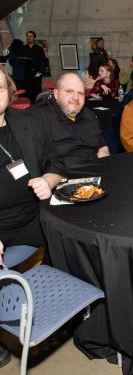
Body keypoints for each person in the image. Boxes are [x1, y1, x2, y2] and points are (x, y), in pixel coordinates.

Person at [0, 66, 64, 367]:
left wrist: (49, 181)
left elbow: (55, 161)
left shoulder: (26, 120)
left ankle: (64, 308)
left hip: (33, 217)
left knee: (74, 232)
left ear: (10, 92)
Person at [30, 73, 110, 169]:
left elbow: (102, 146)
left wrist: (102, 162)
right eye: (69, 91)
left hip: (95, 172)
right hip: (61, 177)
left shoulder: (89, 115)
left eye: (80, 93)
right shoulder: (39, 118)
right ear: (56, 94)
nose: (76, 97)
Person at [23, 30, 46, 103]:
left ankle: (37, 107)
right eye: (27, 36)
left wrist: (39, 73)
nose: (28, 37)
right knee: (28, 92)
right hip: (27, 74)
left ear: (34, 38)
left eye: (30, 36)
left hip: (37, 74)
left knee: (37, 92)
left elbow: (44, 62)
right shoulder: (23, 48)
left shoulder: (39, 49)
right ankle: (29, 108)